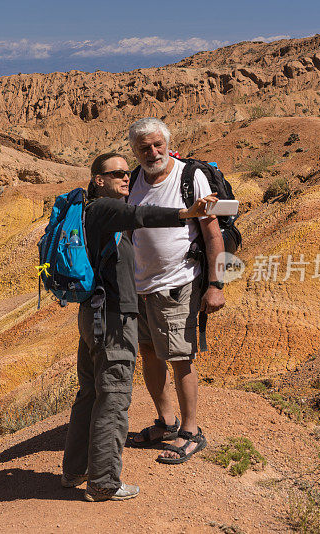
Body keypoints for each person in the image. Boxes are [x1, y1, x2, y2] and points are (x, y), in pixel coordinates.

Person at [61, 152, 216, 501]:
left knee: (89, 392)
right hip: (113, 318)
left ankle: (74, 471)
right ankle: (103, 482)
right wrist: (185, 214)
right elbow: (140, 214)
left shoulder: (89, 209)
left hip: (93, 314)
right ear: (98, 179)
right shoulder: (105, 208)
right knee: (113, 396)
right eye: (115, 173)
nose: (124, 177)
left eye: (124, 172)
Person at [125, 117, 226, 464]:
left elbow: (213, 234)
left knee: (181, 359)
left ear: (167, 144)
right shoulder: (134, 179)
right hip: (140, 286)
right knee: (150, 354)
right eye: (144, 148)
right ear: (135, 151)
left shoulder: (190, 177)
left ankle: (191, 432)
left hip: (179, 283)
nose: (152, 152)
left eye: (157, 145)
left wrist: (215, 284)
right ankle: (166, 422)